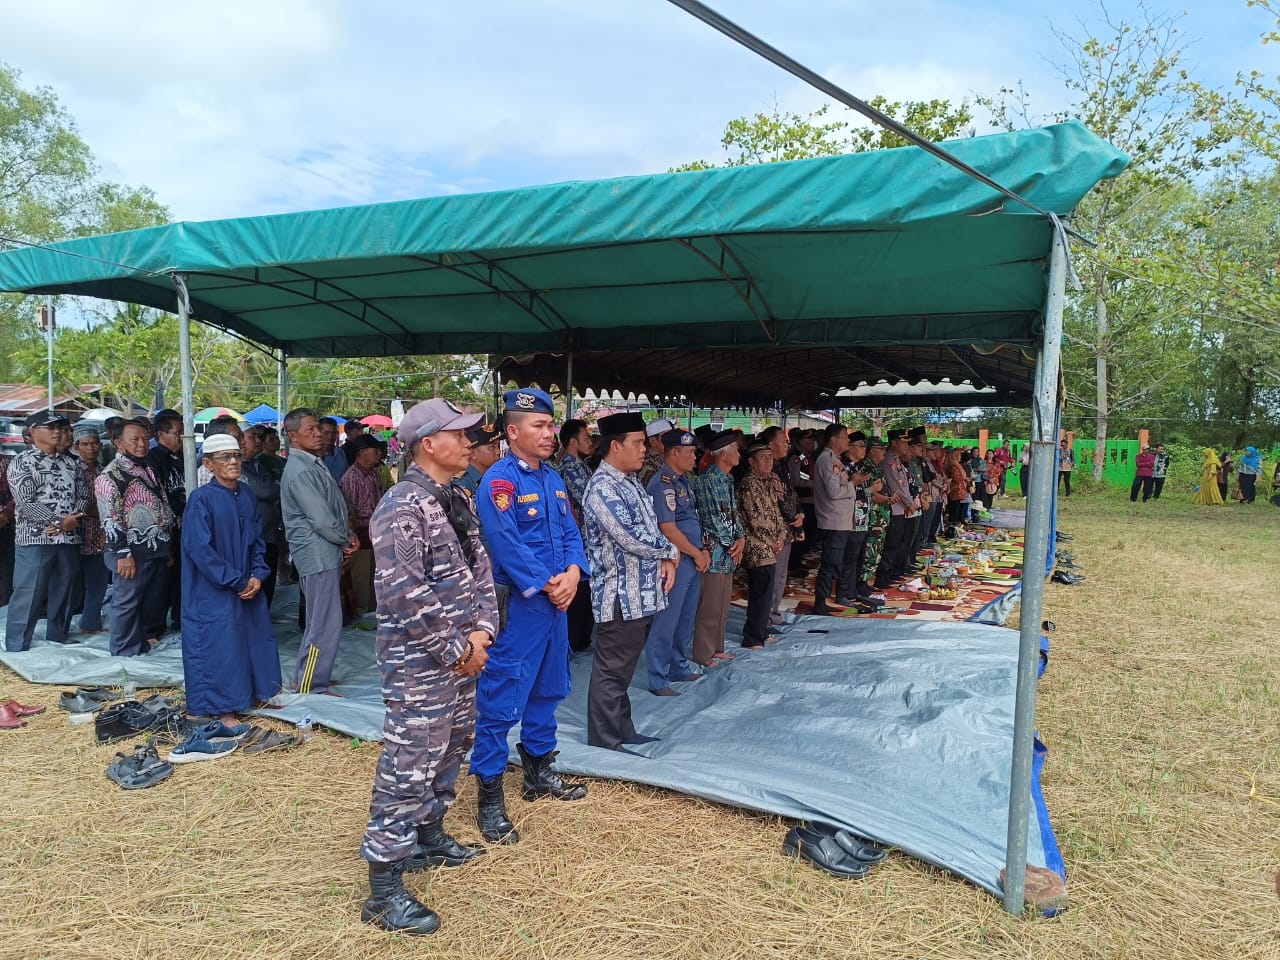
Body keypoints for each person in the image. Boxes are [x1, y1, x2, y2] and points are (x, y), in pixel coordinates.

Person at [357, 399, 497, 938]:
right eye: (458, 434)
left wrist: (483, 632)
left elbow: (481, 569)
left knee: (453, 744)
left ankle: (426, 833)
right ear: (426, 444)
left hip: (463, 655)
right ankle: (383, 886)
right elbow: (403, 592)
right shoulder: (401, 505)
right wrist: (457, 649)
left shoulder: (456, 495)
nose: (470, 442)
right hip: (422, 662)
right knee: (409, 760)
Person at [472, 389, 589, 845]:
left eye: (550, 425)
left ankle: (539, 775)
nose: (548, 433)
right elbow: (504, 543)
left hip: (556, 603)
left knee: (549, 688)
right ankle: (489, 797)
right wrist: (549, 582)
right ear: (513, 431)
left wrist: (575, 573)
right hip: (521, 606)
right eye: (538, 426)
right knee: (501, 698)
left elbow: (570, 532)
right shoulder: (499, 482)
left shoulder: (554, 479)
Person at [583, 412, 678, 750]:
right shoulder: (603, 488)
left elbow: (649, 530)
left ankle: (623, 730)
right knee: (611, 672)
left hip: (641, 594)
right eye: (637, 443)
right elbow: (631, 537)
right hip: (621, 596)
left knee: (621, 671)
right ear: (614, 445)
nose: (644, 450)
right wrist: (671, 551)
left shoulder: (629, 482)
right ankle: (605, 739)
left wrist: (666, 555)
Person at [180, 433, 280, 724]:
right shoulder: (201, 500)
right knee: (221, 646)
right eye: (225, 457)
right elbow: (200, 550)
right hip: (214, 588)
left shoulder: (246, 495)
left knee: (255, 638)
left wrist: (258, 575)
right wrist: (236, 581)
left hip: (248, 583)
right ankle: (225, 709)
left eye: (237, 455)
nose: (234, 461)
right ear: (209, 464)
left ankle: (259, 693)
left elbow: (258, 541)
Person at [281, 408, 359, 694]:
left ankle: (309, 675)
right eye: (310, 430)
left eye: (318, 428)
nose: (318, 434)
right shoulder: (301, 470)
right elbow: (321, 519)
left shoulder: (311, 463)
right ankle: (311, 682)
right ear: (293, 437)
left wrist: (345, 536)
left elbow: (330, 509)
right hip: (317, 553)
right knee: (324, 623)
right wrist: (345, 538)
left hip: (324, 551)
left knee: (321, 619)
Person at [5, 411, 87, 651]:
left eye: (60, 427)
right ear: (32, 431)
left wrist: (74, 519)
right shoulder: (21, 462)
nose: (57, 432)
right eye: (49, 427)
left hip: (69, 538)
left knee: (65, 589)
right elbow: (26, 502)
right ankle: (17, 645)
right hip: (35, 539)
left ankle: (58, 636)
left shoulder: (72, 463)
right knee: (28, 592)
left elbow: (83, 495)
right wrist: (61, 522)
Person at [95, 419, 175, 657]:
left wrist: (166, 546)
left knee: (146, 601)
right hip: (130, 552)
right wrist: (123, 554)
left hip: (154, 547)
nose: (142, 444)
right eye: (135, 440)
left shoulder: (148, 469)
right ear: (119, 443)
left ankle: (138, 644)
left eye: (144, 439)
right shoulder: (110, 476)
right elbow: (110, 519)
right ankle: (122, 650)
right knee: (126, 601)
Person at [642, 428, 707, 695]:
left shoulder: (683, 481)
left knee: (685, 617)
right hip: (677, 560)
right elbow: (668, 528)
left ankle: (678, 665)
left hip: (692, 559)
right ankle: (658, 677)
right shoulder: (662, 483)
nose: (695, 457)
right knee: (667, 619)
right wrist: (695, 552)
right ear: (674, 453)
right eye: (690, 452)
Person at [691, 431, 744, 668]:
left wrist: (740, 538)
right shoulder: (706, 480)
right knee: (709, 606)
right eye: (735, 450)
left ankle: (718, 647)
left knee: (723, 603)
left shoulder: (728, 479)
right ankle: (703, 653)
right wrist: (732, 543)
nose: (739, 454)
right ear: (724, 454)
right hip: (714, 551)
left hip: (729, 551)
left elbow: (734, 513)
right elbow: (711, 518)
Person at [736, 441, 786, 648]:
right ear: (751, 461)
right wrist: (772, 540)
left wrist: (782, 534)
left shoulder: (766, 481)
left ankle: (761, 632)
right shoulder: (749, 483)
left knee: (766, 592)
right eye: (763, 457)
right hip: (757, 547)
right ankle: (753, 637)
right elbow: (755, 520)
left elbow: (776, 513)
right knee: (760, 593)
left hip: (770, 545)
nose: (768, 461)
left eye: (770, 457)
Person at [556, 419, 595, 654]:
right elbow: (589, 502)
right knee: (578, 595)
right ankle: (574, 643)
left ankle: (581, 640)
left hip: (588, 541)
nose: (591, 443)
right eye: (586, 438)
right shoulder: (569, 468)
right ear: (573, 442)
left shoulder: (583, 466)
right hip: (577, 542)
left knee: (586, 595)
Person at [810, 424, 857, 616]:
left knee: (834, 563)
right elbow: (835, 492)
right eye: (845, 436)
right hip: (833, 519)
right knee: (830, 563)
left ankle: (822, 600)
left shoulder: (835, 460)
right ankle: (819, 603)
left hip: (841, 519)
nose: (848, 440)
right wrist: (854, 484)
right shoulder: (826, 460)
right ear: (833, 439)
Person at [340, 434, 386, 616]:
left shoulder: (373, 473)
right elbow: (351, 509)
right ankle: (360, 609)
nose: (378, 454)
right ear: (362, 452)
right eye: (375, 451)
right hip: (359, 533)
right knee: (360, 574)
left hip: (374, 531)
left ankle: (372, 607)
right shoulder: (352, 477)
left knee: (374, 573)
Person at [762, 426, 803, 625]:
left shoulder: (782, 465)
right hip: (774, 530)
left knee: (780, 575)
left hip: (786, 528)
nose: (787, 444)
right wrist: (794, 519)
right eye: (783, 440)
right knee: (772, 576)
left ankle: (774, 613)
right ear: (770, 445)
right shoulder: (767, 469)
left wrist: (800, 515)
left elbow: (790, 494)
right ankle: (767, 617)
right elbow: (778, 500)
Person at [239, 426, 284, 608]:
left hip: (269, 534)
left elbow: (273, 488)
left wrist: (272, 487)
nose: (257, 441)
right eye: (252, 437)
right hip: (253, 537)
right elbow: (265, 489)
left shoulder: (256, 464)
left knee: (269, 581)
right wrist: (272, 487)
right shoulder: (239, 467)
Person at [70, 424, 108, 633]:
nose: (90, 448)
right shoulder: (73, 470)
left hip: (100, 534)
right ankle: (62, 625)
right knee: (73, 584)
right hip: (80, 533)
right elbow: (79, 505)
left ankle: (90, 623)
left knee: (98, 582)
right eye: (85, 444)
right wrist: (96, 510)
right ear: (76, 447)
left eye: (94, 443)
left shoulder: (103, 471)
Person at [875, 429, 920, 588]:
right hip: (894, 508)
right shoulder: (889, 460)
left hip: (901, 508)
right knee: (891, 544)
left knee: (898, 543)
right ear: (894, 443)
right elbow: (895, 486)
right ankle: (883, 576)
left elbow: (905, 485)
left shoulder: (897, 460)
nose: (906, 445)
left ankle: (891, 572)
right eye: (903, 442)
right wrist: (909, 503)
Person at [456, 422, 501, 495]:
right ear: (473, 454)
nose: (498, 452)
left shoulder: (495, 475)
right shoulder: (462, 483)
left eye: (498, 446)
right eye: (492, 447)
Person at [637, 418, 674, 487]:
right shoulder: (647, 464)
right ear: (653, 441)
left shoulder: (672, 459)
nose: (670, 440)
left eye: (672, 436)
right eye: (666, 437)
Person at [319, 416, 348, 483]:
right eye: (326, 433)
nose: (330, 436)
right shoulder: (314, 456)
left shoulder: (341, 453)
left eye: (333, 433)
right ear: (319, 433)